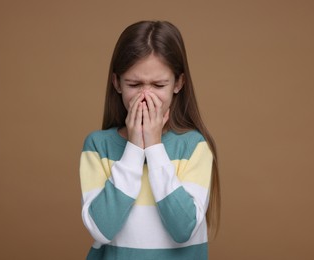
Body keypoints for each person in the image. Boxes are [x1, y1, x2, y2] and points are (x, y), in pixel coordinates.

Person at [79, 20, 220, 260]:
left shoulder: (194, 146)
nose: (145, 96)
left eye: (158, 85)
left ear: (178, 83)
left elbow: (183, 229)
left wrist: (154, 148)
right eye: (134, 84)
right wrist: (134, 148)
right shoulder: (97, 146)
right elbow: (102, 229)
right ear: (117, 83)